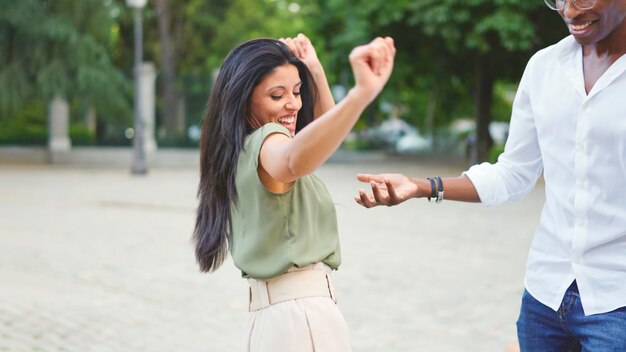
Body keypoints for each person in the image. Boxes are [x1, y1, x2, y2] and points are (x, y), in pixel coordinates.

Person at [355, 0, 626, 350]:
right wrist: (421, 186)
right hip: (545, 294)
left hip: (617, 302)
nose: (569, 10)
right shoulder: (544, 67)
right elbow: (513, 173)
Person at [194, 33, 395, 352]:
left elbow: (322, 138)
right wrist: (362, 93)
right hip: (301, 319)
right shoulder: (269, 141)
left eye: (297, 92)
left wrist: (314, 70)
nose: (294, 104)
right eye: (277, 95)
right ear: (245, 99)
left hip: (276, 320)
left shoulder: (240, 149)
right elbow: (292, 159)